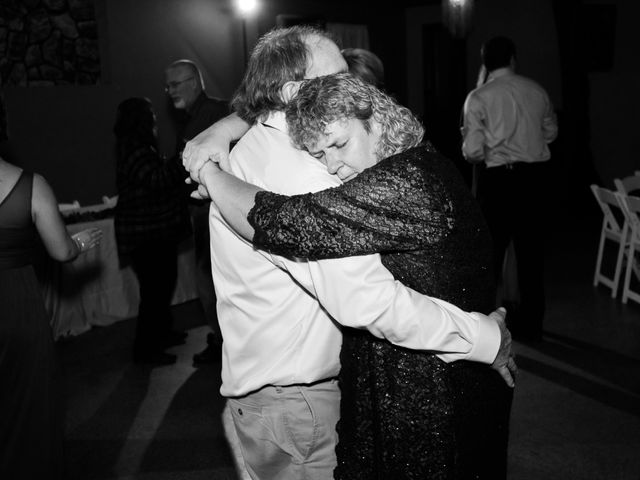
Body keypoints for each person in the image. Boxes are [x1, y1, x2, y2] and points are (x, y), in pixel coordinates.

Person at [182, 26, 514, 480]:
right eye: (339, 73)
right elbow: (367, 300)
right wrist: (484, 338)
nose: (355, 83)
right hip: (299, 405)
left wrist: (219, 142)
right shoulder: (304, 171)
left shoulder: (258, 143)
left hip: (270, 400)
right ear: (296, 91)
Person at [0, 155, 101, 479]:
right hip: (16, 304)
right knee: (28, 399)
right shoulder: (30, 184)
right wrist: (79, 244)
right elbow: (61, 251)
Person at [461, 36, 558, 342]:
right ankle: (533, 327)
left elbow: (473, 152)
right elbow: (551, 132)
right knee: (532, 255)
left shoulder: (478, 97)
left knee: (488, 256)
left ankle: (487, 329)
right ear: (513, 58)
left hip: (498, 182)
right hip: (533, 180)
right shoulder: (537, 90)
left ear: (486, 63)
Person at [113, 97, 192, 365]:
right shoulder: (134, 149)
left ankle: (162, 334)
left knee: (163, 285)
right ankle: (145, 351)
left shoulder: (135, 146)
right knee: (154, 292)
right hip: (146, 236)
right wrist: (180, 159)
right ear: (141, 119)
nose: (155, 119)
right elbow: (158, 180)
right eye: (150, 115)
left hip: (153, 233)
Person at [165, 59, 229, 364]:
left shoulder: (213, 112)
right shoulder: (200, 114)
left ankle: (223, 344)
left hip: (211, 211)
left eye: (175, 84)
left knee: (209, 282)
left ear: (194, 81)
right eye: (167, 86)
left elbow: (185, 167)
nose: (169, 91)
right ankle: (221, 341)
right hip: (204, 211)